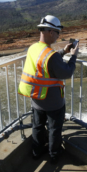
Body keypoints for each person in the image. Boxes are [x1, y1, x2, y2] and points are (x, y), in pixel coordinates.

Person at [18, 15, 79, 164]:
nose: (58, 36)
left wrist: (63, 52)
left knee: (38, 126)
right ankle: (54, 155)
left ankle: (36, 152)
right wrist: (73, 56)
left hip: (37, 98)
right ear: (51, 32)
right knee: (54, 129)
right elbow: (66, 72)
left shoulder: (34, 48)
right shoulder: (51, 55)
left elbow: (44, 61)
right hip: (53, 101)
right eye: (58, 32)